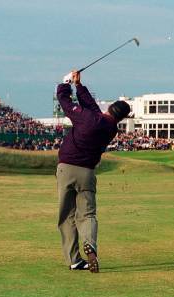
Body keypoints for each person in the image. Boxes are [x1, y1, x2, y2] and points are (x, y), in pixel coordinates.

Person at [55, 70, 131, 273]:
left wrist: (65, 83)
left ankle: (74, 259)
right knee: (87, 214)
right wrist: (79, 86)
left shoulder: (88, 118)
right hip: (87, 173)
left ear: (109, 108)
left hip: (66, 169)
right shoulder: (110, 128)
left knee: (67, 215)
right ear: (122, 118)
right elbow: (92, 108)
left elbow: (64, 102)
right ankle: (90, 245)